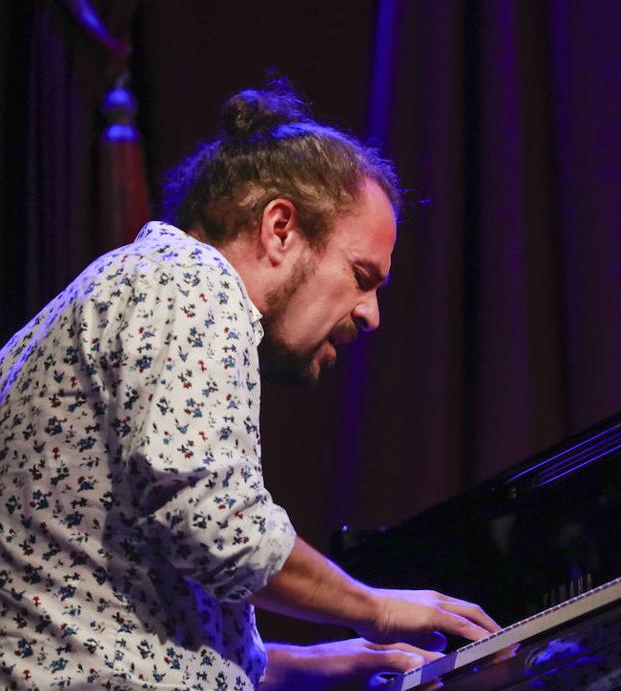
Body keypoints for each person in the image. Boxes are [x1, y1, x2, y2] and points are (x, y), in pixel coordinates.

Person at [0, 83, 501, 691]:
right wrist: (378, 608)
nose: (372, 314)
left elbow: (155, 649)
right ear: (280, 229)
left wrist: (340, 658)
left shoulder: (100, 301)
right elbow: (217, 522)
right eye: (361, 276)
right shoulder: (189, 281)